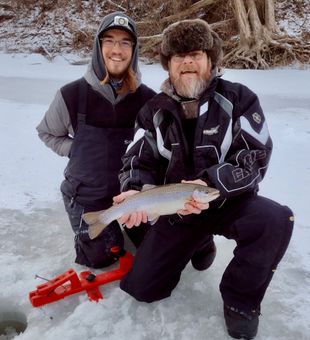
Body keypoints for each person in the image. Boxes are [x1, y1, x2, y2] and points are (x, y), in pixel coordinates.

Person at [114, 19, 294, 339]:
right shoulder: (154, 110)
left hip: (226, 201)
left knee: (275, 219)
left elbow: (255, 156)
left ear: (210, 59)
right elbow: (137, 158)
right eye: (178, 56)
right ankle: (198, 242)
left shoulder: (239, 99)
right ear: (168, 64)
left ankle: (240, 302)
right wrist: (132, 189)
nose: (187, 62)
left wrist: (211, 183)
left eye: (195, 54)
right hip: (177, 208)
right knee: (142, 289)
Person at [36, 12, 156, 269]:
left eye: (125, 42)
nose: (117, 49)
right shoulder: (71, 95)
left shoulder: (148, 100)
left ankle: (128, 227)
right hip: (85, 196)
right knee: (101, 257)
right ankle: (99, 235)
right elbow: (47, 133)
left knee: (155, 249)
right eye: (109, 40)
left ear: (133, 50)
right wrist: (75, 149)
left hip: (133, 196)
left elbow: (160, 148)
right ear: (98, 46)